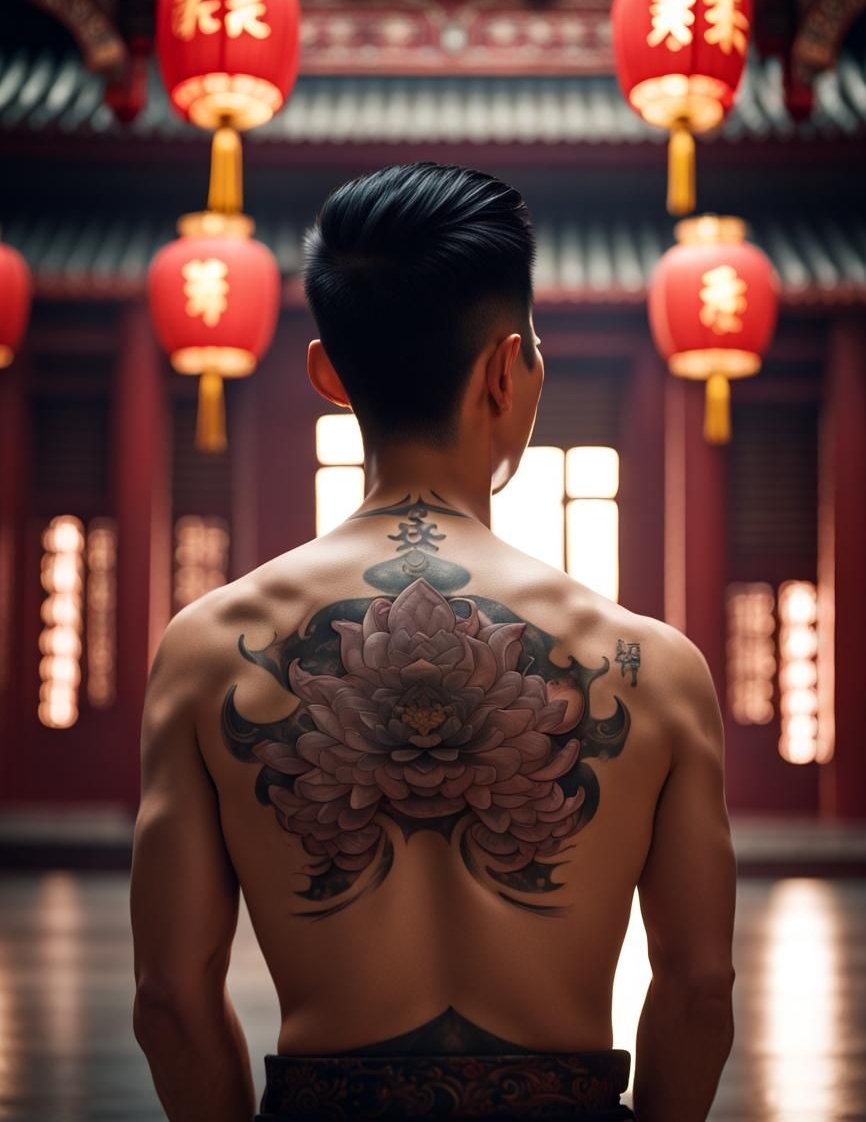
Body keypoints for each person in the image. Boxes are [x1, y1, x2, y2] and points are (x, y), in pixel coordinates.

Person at [130, 162, 736, 1122]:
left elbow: (169, 999)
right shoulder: (650, 666)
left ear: (330, 373)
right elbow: (700, 989)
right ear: (508, 367)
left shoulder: (209, 649)